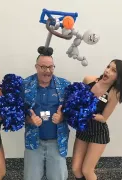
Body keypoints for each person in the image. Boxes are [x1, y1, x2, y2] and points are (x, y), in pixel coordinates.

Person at [72, 59, 122, 180]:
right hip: (83, 129)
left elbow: (103, 118)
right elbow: (77, 99)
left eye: (113, 70)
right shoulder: (89, 80)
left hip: (98, 131)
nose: (108, 71)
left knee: (87, 170)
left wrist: (90, 114)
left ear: (118, 77)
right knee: (76, 169)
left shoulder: (114, 93)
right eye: (108, 67)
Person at [23, 47, 71, 180]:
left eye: (51, 67)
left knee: (58, 177)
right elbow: (15, 114)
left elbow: (74, 112)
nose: (47, 71)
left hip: (57, 142)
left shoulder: (65, 85)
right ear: (36, 67)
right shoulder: (25, 85)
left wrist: (63, 117)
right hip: (33, 141)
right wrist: (29, 119)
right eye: (43, 67)